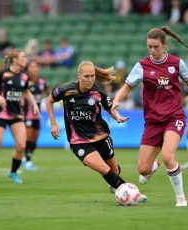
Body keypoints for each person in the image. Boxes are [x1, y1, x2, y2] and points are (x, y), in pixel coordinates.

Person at [112, 26, 188, 207]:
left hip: (174, 117)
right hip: (152, 121)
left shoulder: (176, 63)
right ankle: (153, 165)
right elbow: (127, 86)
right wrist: (117, 100)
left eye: (156, 47)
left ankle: (180, 197)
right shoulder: (142, 65)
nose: (152, 50)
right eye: (149, 46)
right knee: (143, 170)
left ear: (164, 45)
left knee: (169, 156)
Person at [45, 60, 148, 202]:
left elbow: (109, 107)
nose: (90, 79)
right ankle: (131, 194)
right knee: (103, 168)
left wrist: (117, 117)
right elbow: (48, 101)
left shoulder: (98, 91)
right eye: (86, 76)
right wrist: (53, 124)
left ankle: (115, 184)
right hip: (78, 141)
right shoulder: (66, 90)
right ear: (79, 76)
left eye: (92, 76)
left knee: (114, 171)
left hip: (101, 136)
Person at [0, 49, 40, 184]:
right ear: (15, 60)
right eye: (23, 57)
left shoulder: (24, 76)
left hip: (16, 114)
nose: (25, 59)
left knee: (21, 146)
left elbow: (26, 91)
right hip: (1, 112)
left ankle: (13, 173)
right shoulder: (3, 73)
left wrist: (34, 104)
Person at [22, 60, 50, 171]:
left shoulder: (42, 81)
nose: (34, 69)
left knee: (35, 140)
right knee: (28, 139)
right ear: (28, 69)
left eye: (36, 66)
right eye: (31, 66)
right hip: (27, 114)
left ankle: (26, 157)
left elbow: (50, 93)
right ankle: (28, 161)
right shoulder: (25, 81)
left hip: (37, 115)